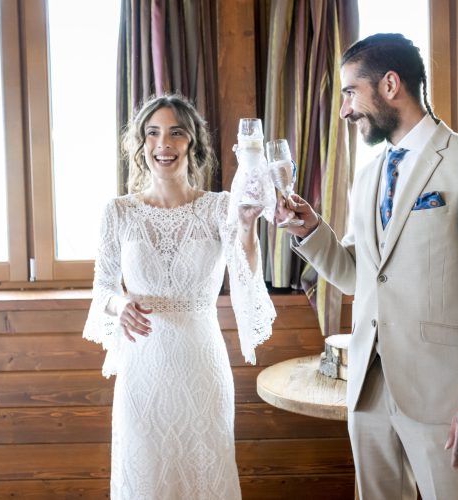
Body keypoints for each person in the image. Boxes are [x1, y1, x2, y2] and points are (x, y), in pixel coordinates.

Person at [278, 33, 458, 499]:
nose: (345, 109)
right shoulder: (368, 175)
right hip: (368, 390)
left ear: (391, 84)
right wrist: (309, 230)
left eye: (351, 92)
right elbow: (358, 274)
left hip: (443, 396)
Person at [82, 94, 275, 499]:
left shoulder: (219, 207)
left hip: (201, 364)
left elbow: (246, 274)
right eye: (152, 134)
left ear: (193, 144)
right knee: (147, 477)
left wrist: (246, 227)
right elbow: (102, 289)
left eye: (175, 133)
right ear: (141, 144)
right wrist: (120, 305)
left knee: (204, 472)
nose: (162, 144)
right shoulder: (118, 212)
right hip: (142, 367)